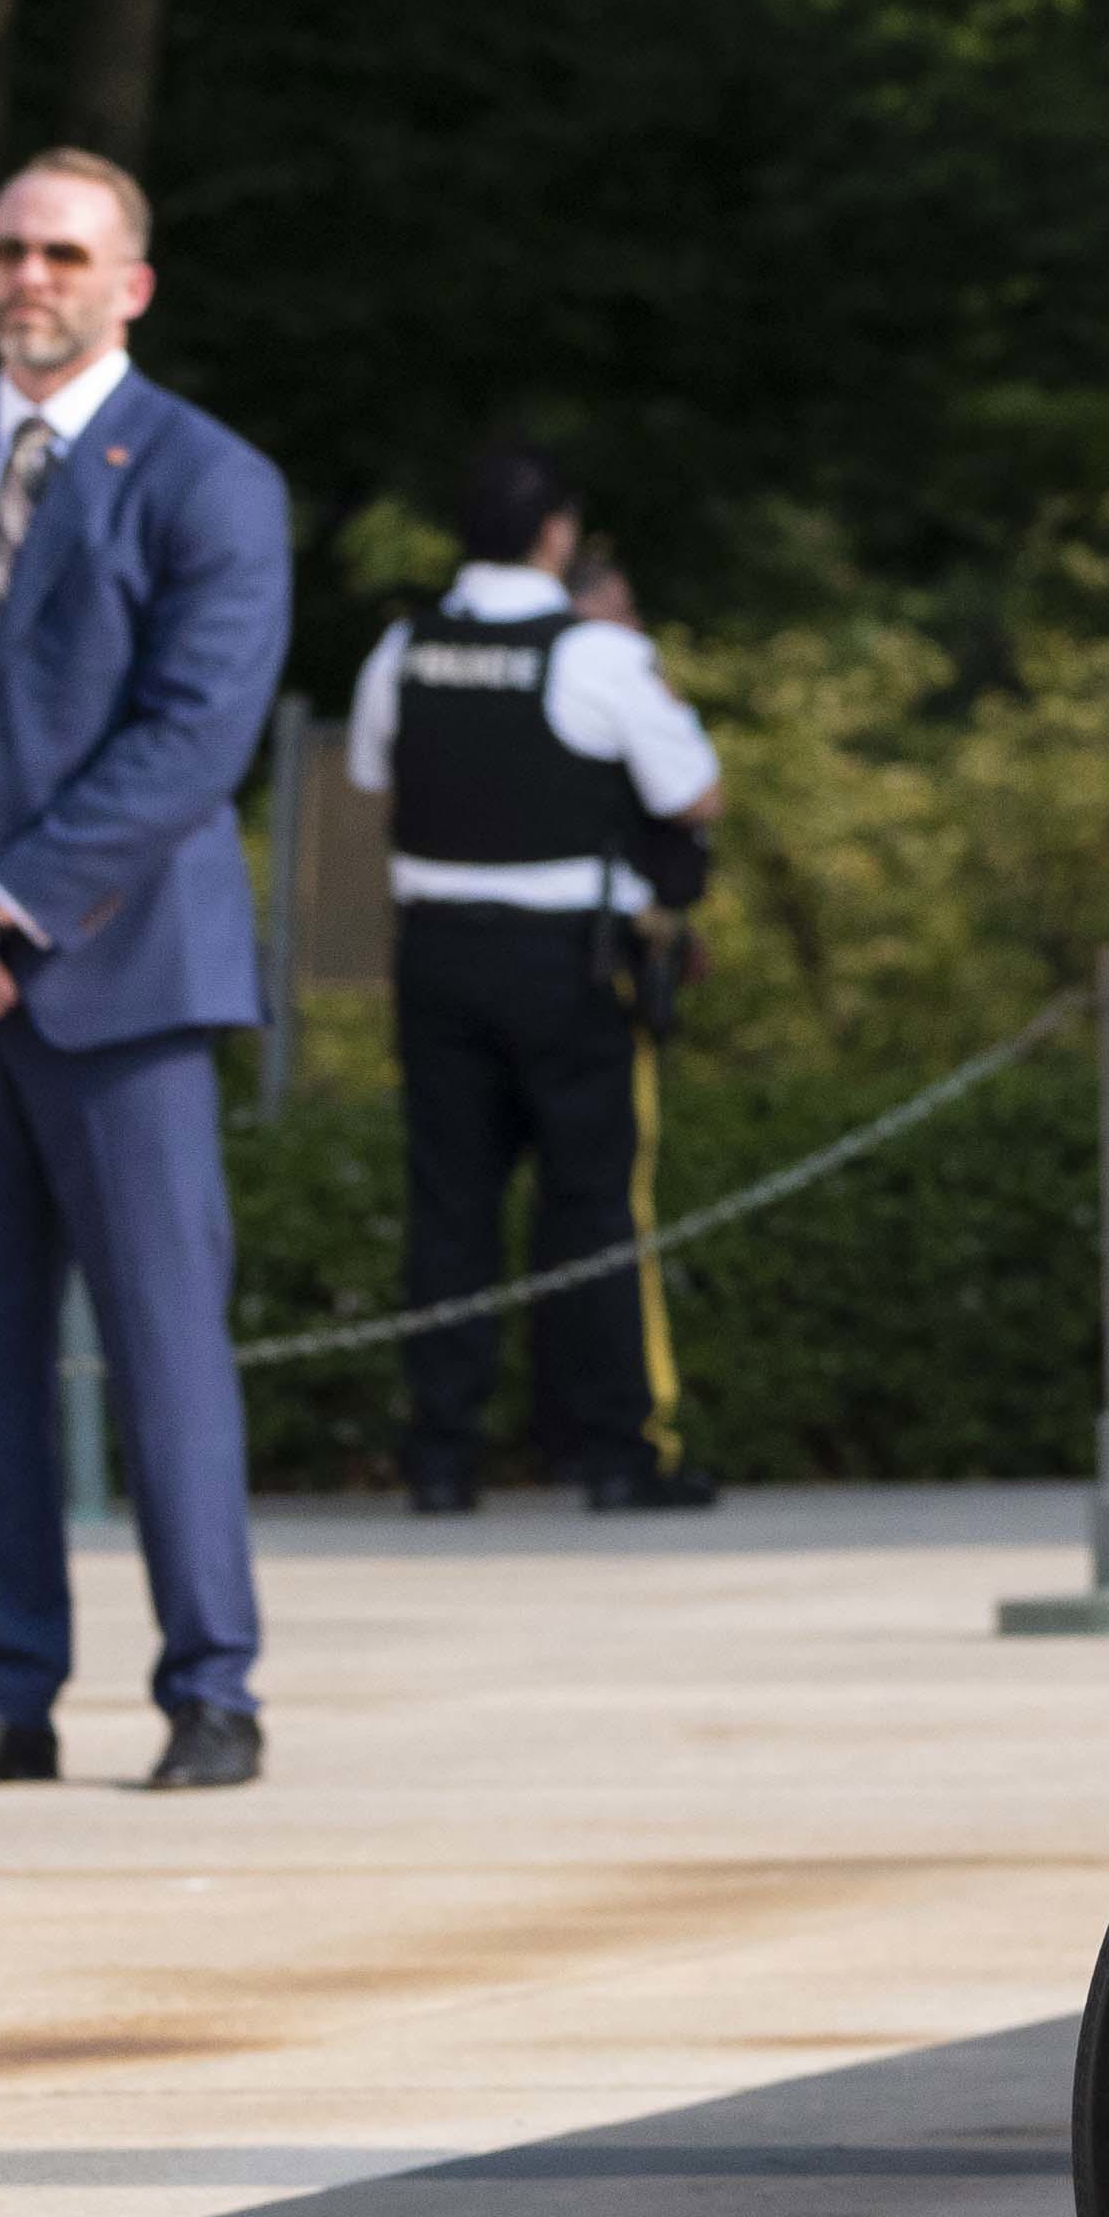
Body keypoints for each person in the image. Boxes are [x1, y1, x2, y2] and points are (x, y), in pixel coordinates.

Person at [0, 152, 290, 1793]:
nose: (32, 276)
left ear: (130, 283)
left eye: (66, 252)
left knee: (165, 1354)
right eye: (12, 249)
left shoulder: (209, 481)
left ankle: (210, 1689)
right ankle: (2, 1689)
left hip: (119, 985)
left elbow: (193, 739)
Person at [345, 445, 730, 1515]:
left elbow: (377, 776)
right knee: (596, 1204)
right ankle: (615, 1451)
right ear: (555, 535)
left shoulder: (405, 648)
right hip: (565, 963)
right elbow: (695, 792)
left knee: (449, 1208)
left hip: (437, 955)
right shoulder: (595, 656)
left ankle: (440, 1455)